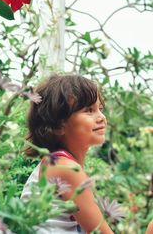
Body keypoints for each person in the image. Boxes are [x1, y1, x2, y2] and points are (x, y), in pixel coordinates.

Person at [21, 74, 152, 234]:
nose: (102, 118)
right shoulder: (65, 168)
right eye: (89, 110)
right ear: (58, 126)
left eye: (100, 109)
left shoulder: (60, 163)